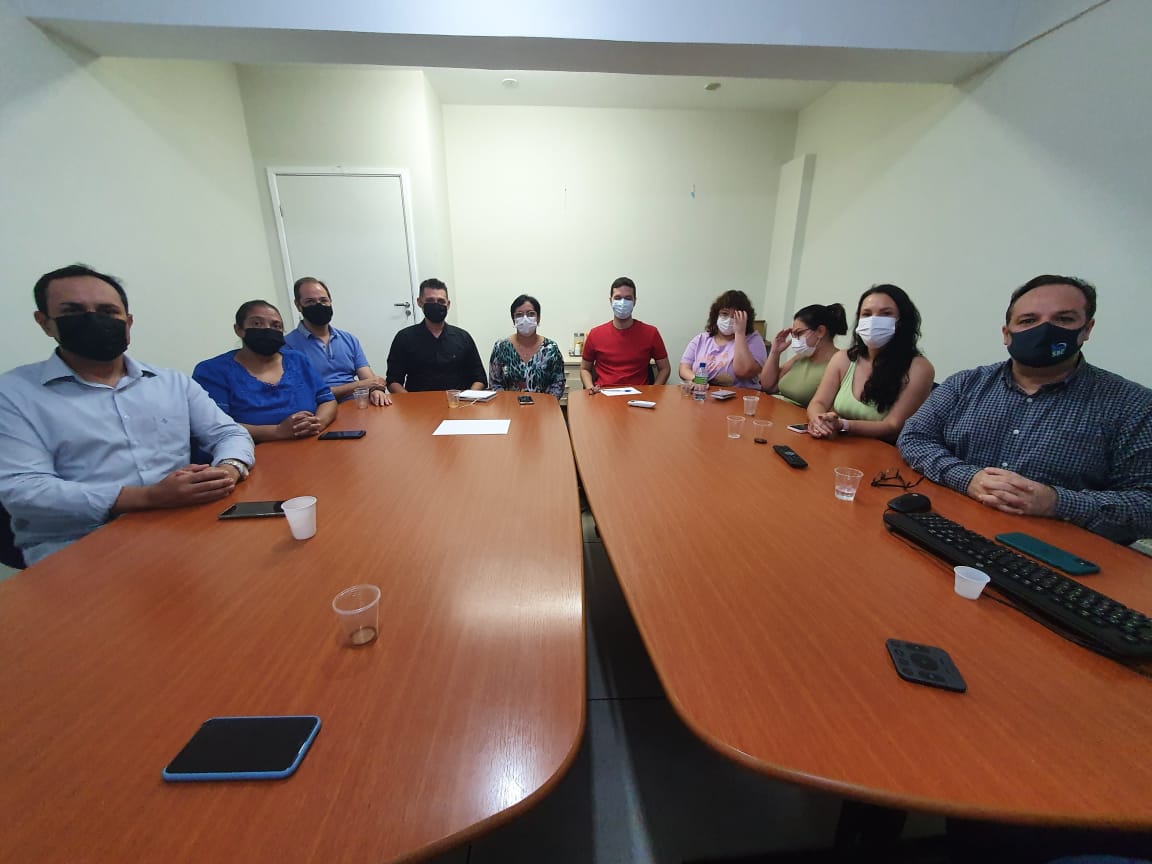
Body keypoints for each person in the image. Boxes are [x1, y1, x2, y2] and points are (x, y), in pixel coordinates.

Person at [0, 264, 254, 566]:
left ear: (128, 322)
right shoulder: (13, 393)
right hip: (77, 546)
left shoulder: (171, 382)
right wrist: (147, 497)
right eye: (73, 311)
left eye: (107, 311)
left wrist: (227, 469)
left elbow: (229, 433)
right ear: (44, 323)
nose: (93, 319)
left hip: (184, 523)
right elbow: (24, 489)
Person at [898, 275, 1152, 545]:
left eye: (1063, 319)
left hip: (1056, 549)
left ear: (1087, 329)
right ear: (1007, 334)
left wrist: (1057, 502)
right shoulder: (965, 383)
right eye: (1029, 320)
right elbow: (914, 437)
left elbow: (1146, 503)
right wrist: (968, 477)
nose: (1045, 330)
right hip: (950, 527)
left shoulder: (1133, 404)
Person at [806, 284, 934, 443]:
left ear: (902, 321)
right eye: (866, 314)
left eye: (886, 314)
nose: (873, 320)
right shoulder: (843, 358)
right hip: (838, 444)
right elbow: (818, 402)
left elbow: (893, 425)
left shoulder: (919, 368)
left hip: (884, 451)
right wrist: (819, 420)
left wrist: (843, 425)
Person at [193, 300, 336, 442]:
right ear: (239, 329)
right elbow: (214, 425)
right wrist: (277, 431)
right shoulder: (212, 371)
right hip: (247, 450)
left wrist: (317, 423)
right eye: (257, 323)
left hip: (308, 443)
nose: (267, 329)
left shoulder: (298, 360)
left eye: (276, 326)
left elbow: (327, 400)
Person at [283, 276, 391, 406]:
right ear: (298, 305)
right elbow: (305, 393)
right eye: (310, 301)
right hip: (317, 409)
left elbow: (369, 379)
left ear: (330, 301)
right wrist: (359, 385)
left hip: (356, 406)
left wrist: (375, 390)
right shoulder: (287, 345)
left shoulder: (349, 339)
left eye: (323, 300)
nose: (318, 305)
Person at [385, 278, 487, 393]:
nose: (436, 305)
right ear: (419, 302)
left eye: (441, 301)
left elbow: (480, 379)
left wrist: (468, 397)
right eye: (430, 300)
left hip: (458, 402)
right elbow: (393, 381)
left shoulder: (463, 338)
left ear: (448, 304)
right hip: (418, 402)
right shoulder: (404, 338)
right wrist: (410, 401)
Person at [580, 276, 670, 391]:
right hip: (604, 394)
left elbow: (665, 368)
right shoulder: (595, 334)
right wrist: (590, 388)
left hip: (639, 395)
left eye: (628, 298)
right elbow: (584, 369)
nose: (622, 302)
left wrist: (653, 391)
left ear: (634, 301)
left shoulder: (651, 333)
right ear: (611, 301)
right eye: (618, 298)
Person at [760, 303, 848, 407]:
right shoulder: (801, 357)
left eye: (799, 333)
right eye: (793, 335)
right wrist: (775, 352)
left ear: (820, 331)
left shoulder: (839, 363)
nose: (795, 340)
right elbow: (768, 386)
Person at [678, 290, 767, 389]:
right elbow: (684, 369)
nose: (729, 320)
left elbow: (743, 371)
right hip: (703, 394)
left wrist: (739, 333)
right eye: (724, 314)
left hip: (740, 396)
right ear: (716, 316)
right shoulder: (701, 339)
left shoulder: (754, 340)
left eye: (735, 316)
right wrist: (697, 380)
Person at [489, 295, 566, 398]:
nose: (525, 319)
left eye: (530, 314)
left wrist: (546, 403)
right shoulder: (501, 347)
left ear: (538, 318)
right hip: (509, 405)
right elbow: (495, 383)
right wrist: (506, 402)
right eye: (519, 315)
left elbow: (558, 384)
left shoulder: (550, 349)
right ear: (513, 320)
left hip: (543, 406)